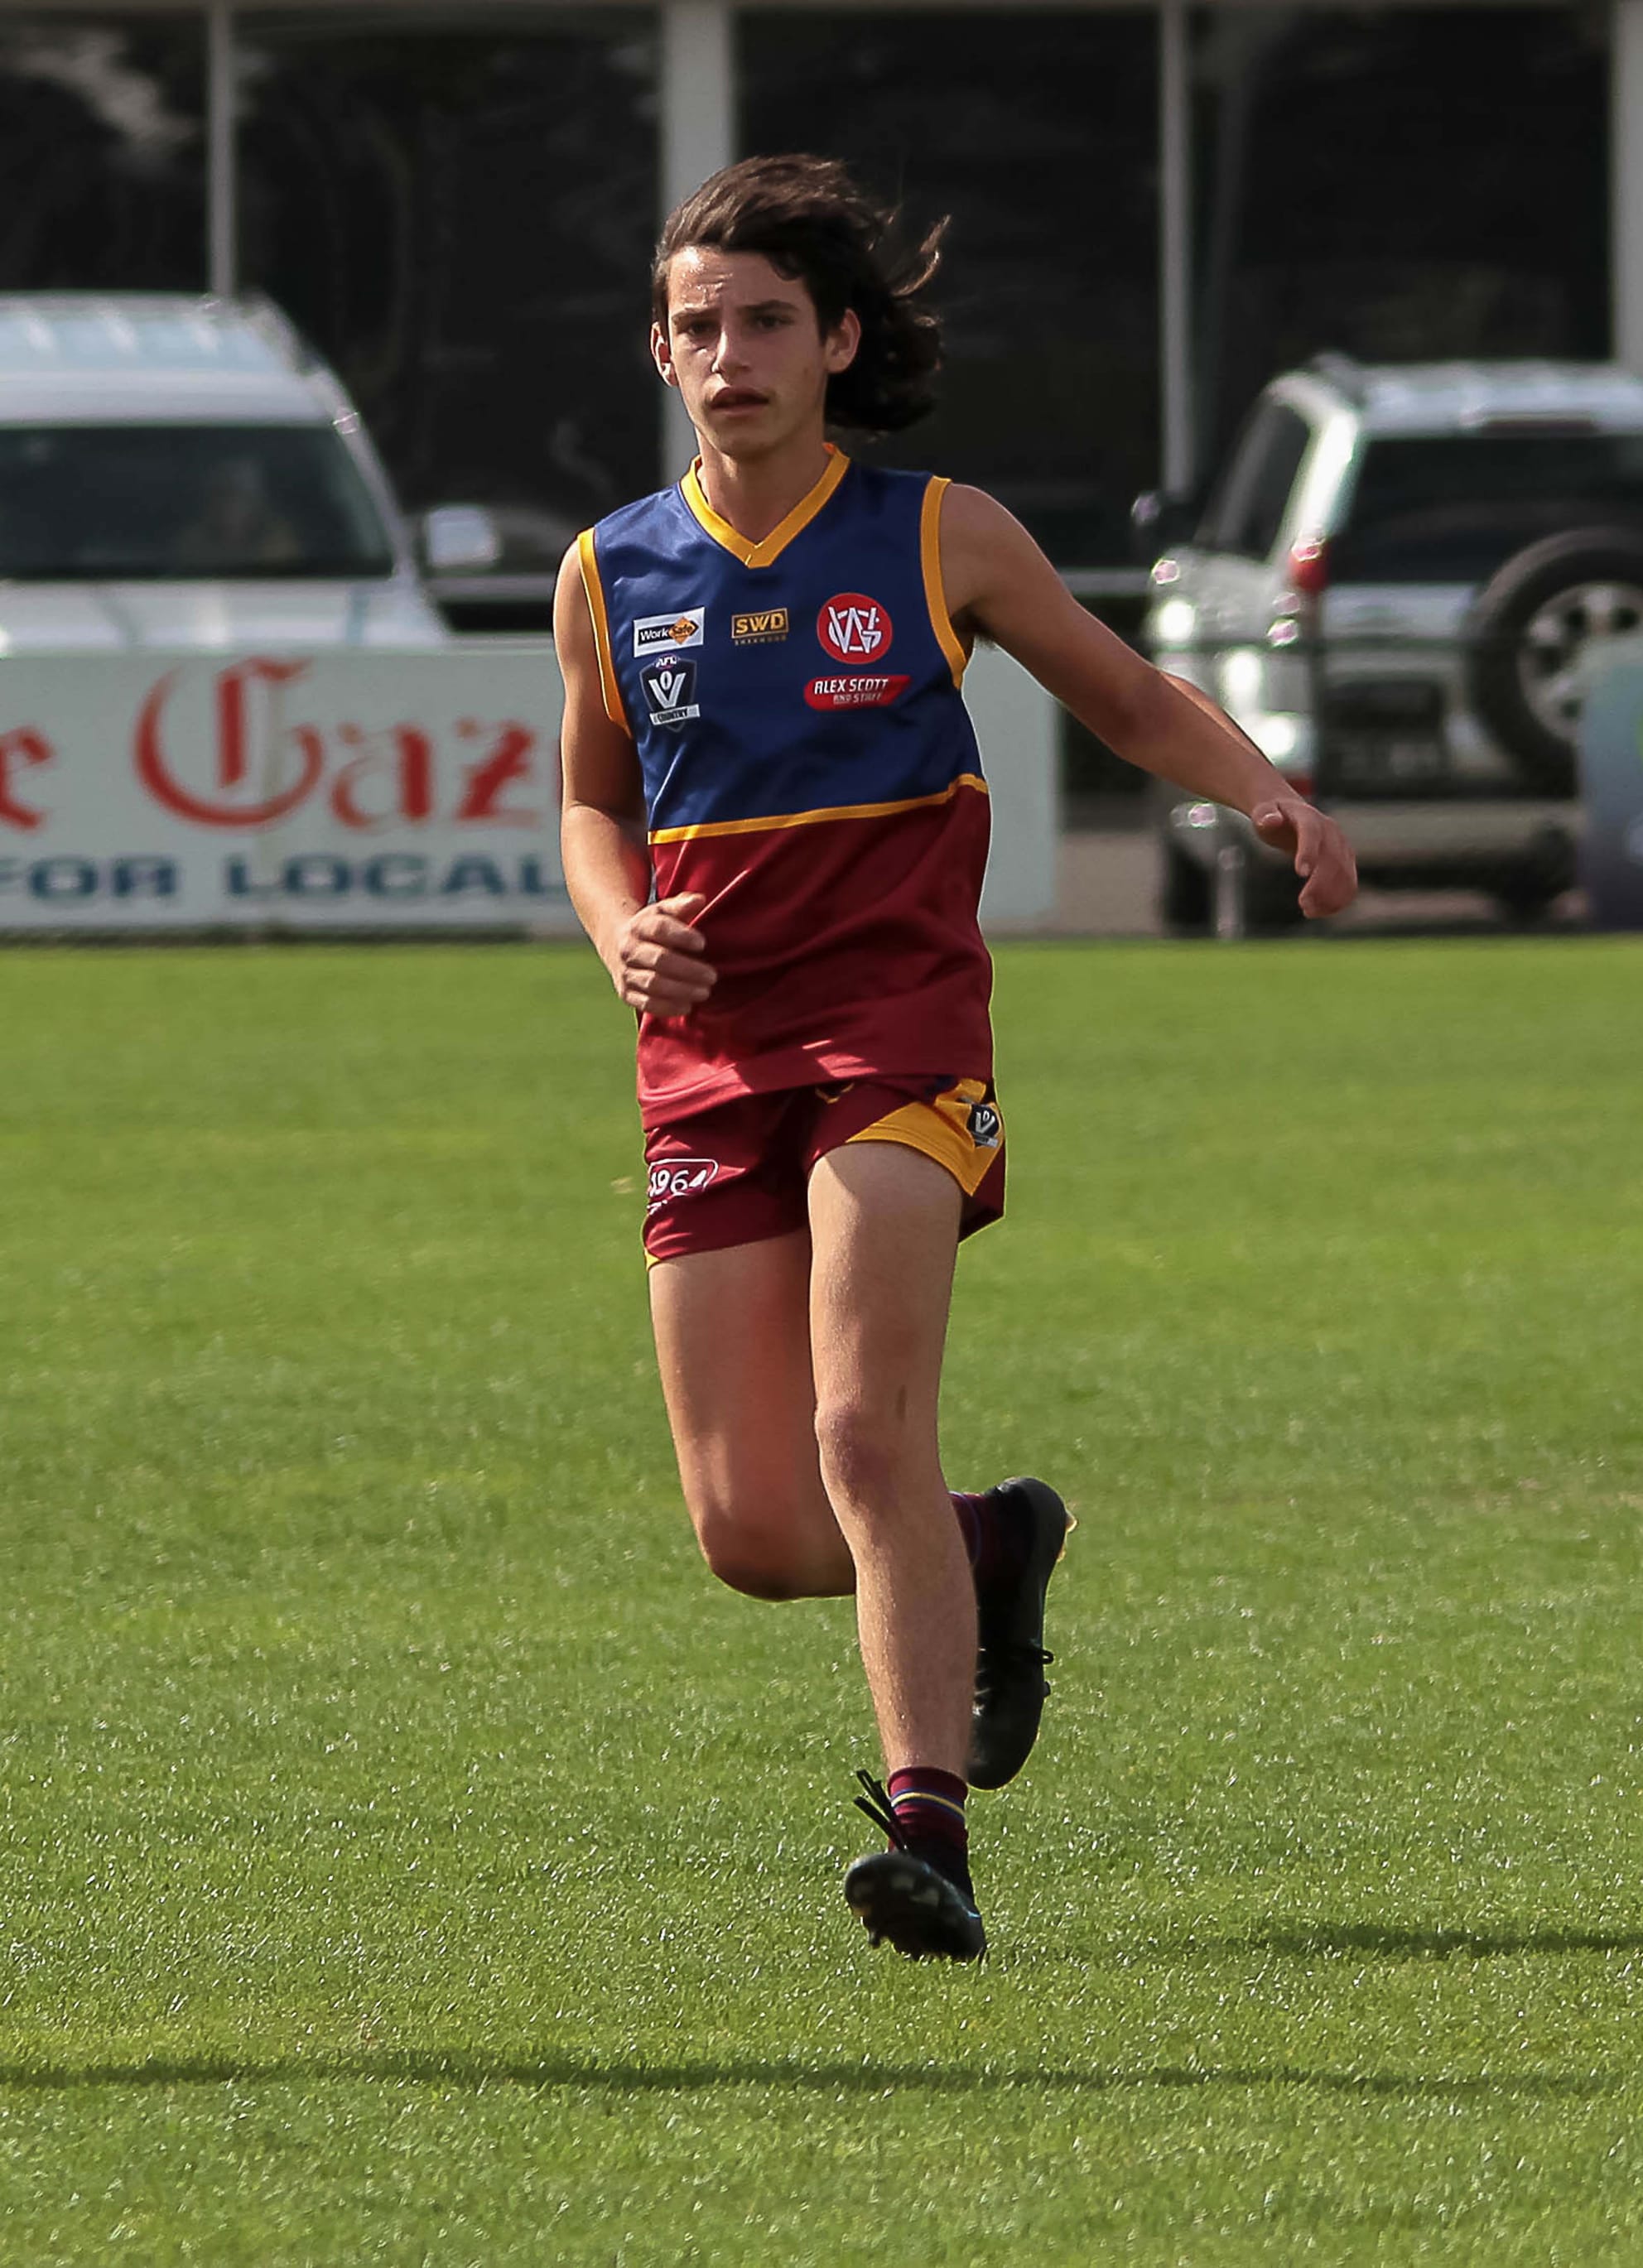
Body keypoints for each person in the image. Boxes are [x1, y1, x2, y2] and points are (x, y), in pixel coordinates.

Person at [554, 155, 1357, 1964]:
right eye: (698, 325)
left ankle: (929, 1830)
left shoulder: (936, 532)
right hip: (708, 1056)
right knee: (757, 1528)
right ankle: (988, 1545)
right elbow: (591, 806)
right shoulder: (613, 569)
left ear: (837, 340)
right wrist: (618, 927)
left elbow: (1128, 692)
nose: (730, 352)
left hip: (896, 1035)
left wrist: (1266, 791)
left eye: (766, 319)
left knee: (859, 1425)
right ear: (664, 354)